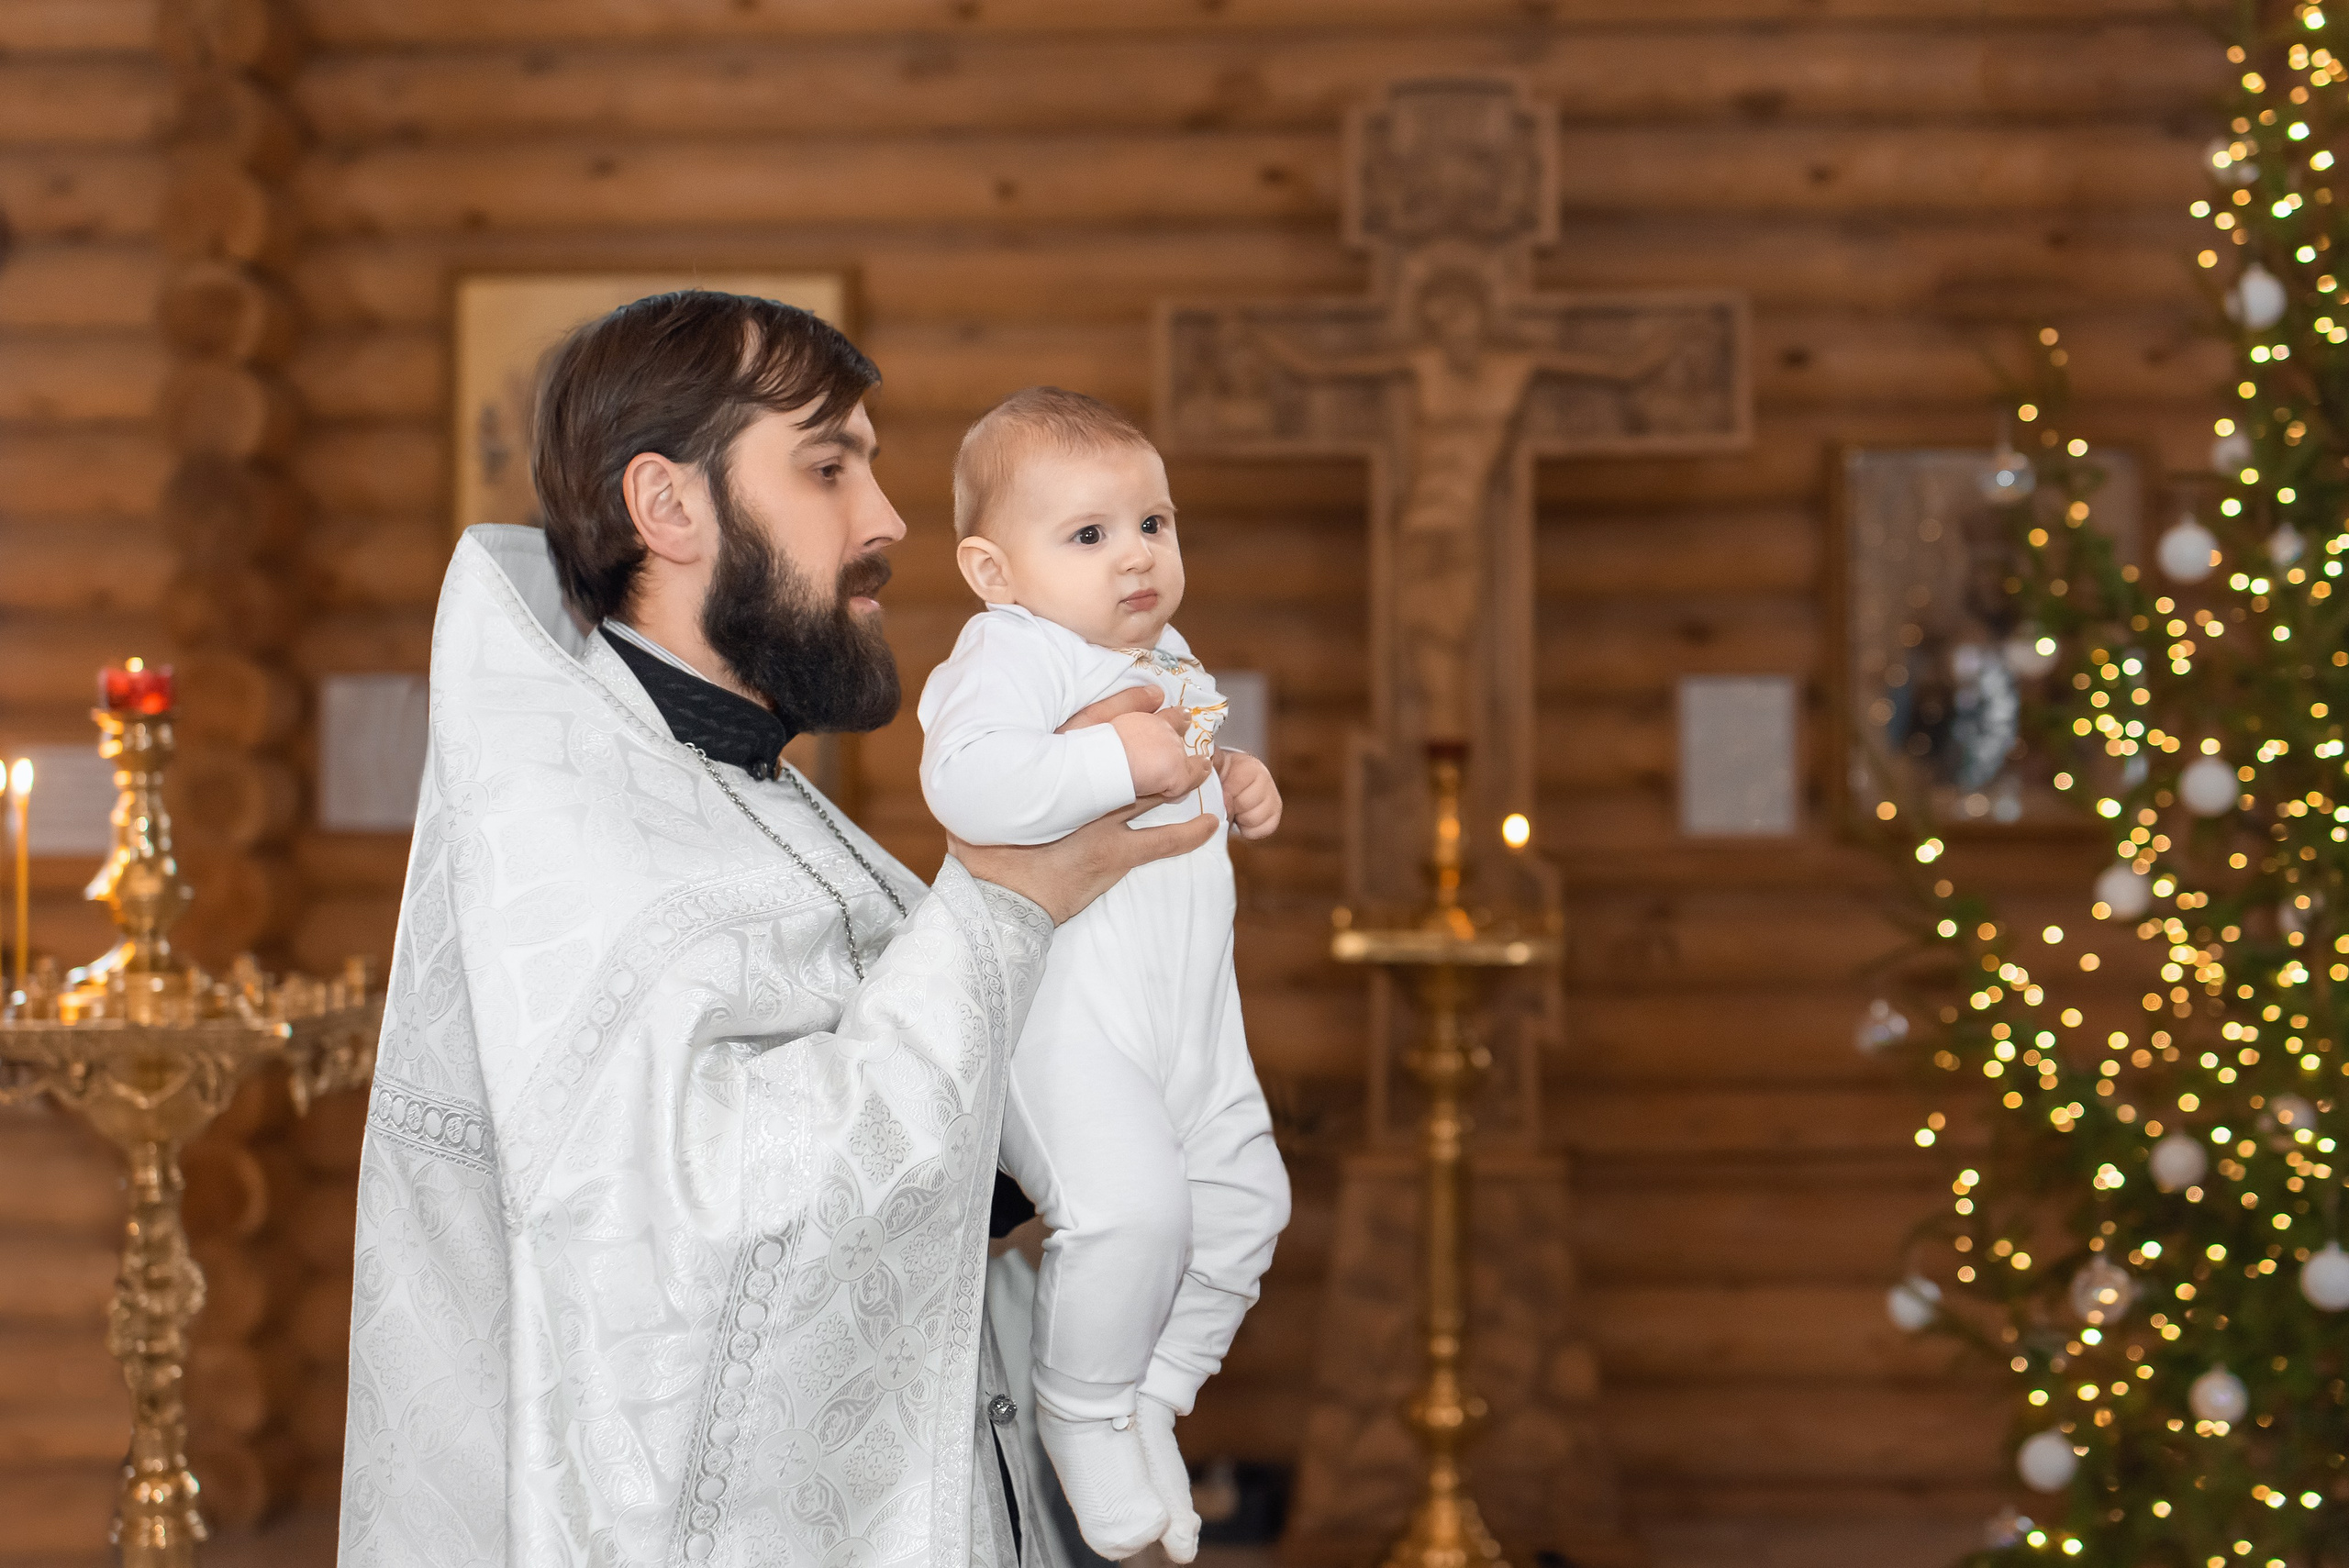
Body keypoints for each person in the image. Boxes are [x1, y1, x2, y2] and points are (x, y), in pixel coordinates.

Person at [338, 293, 1217, 1568]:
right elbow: (716, 1238)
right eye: (827, 466)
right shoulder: (583, 840)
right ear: (669, 506)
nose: (887, 519)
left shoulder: (734, 783)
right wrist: (1006, 898)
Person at [918, 388, 1293, 1562]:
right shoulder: (1006, 652)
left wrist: (1228, 774)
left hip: (1186, 1017)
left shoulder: (1166, 655)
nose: (1135, 555)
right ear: (993, 570)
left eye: (1154, 524)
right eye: (1088, 535)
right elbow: (968, 784)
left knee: (1245, 1208)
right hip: (1062, 1024)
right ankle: (1078, 1413)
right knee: (1132, 1211)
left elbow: (1165, 770)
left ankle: (1153, 1395)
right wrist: (1111, 752)